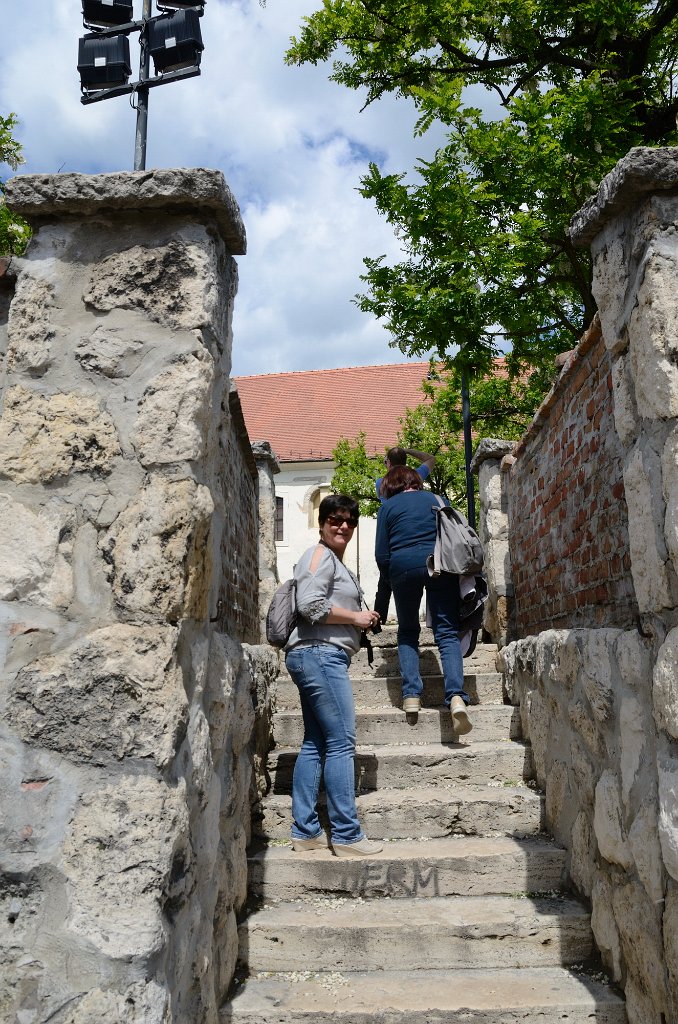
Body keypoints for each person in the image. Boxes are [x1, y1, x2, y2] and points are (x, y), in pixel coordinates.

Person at [285, 494, 383, 857]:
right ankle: (345, 835)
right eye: (335, 520)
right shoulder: (319, 555)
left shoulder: (333, 560)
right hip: (319, 655)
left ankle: (305, 832)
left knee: (316, 743)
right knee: (341, 743)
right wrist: (356, 617)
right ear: (322, 523)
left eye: (350, 521)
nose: (343, 526)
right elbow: (309, 605)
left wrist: (360, 619)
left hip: (316, 654)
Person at [375, 466, 472, 735]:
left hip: (402, 568)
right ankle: (455, 696)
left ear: (390, 486)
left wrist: (390, 580)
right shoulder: (438, 499)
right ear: (416, 481)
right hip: (439, 564)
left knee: (407, 631)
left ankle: (411, 695)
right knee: (447, 632)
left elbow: (381, 554)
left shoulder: (387, 507)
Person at [373, 446, 436, 624]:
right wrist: (408, 451)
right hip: (422, 537)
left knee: (384, 583)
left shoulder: (381, 483)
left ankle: (378, 620)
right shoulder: (415, 476)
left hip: (396, 538)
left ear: (388, 463)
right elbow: (431, 459)